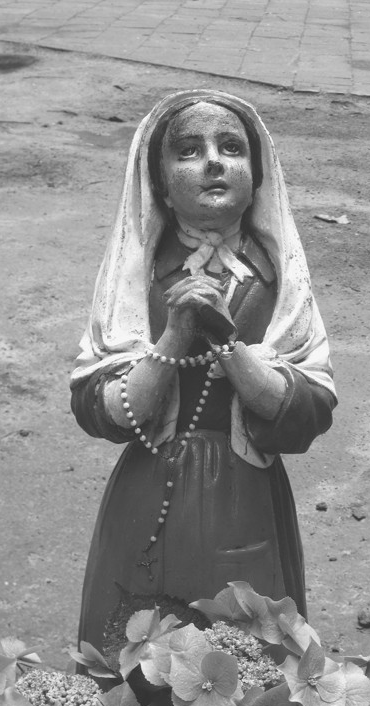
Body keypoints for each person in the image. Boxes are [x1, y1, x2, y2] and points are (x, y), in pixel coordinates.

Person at [70, 90, 337, 652]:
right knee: (139, 636)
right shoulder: (139, 280)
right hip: (149, 486)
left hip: (246, 497)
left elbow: (311, 407)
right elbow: (97, 404)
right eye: (188, 150)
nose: (213, 161)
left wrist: (228, 344)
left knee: (246, 641)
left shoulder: (279, 283)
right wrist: (175, 333)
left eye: (231, 147)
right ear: (160, 182)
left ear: (257, 174)